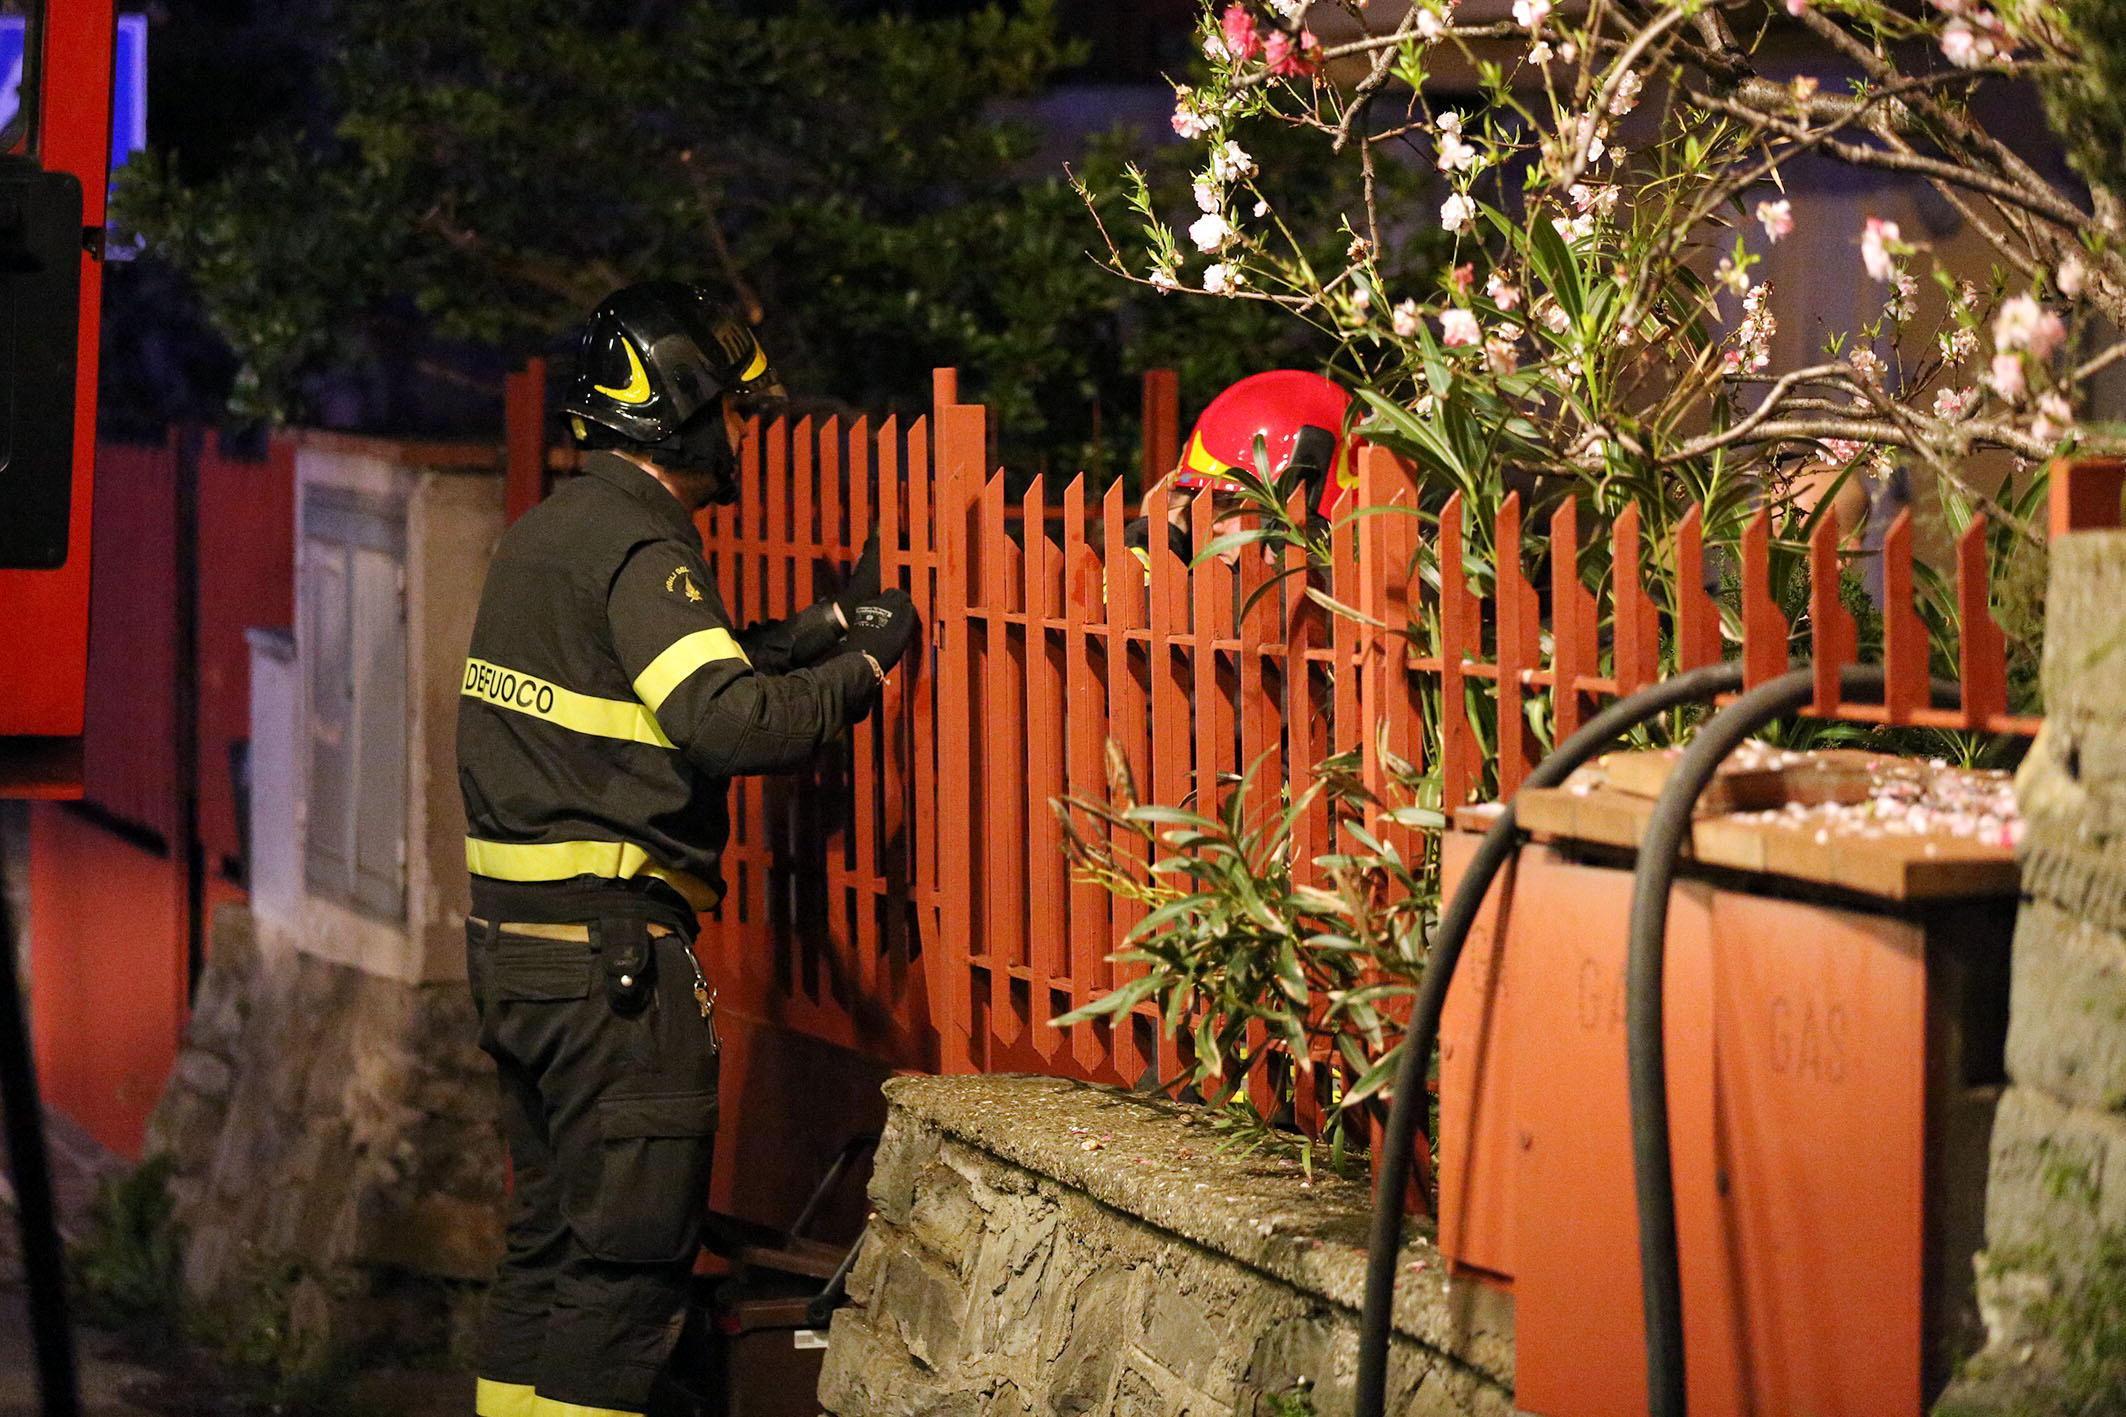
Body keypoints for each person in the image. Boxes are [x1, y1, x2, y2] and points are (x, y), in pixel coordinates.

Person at [455, 281, 916, 1417]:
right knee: (621, 1285)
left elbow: (651, 689)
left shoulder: (550, 536)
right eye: (734, 409)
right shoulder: (640, 542)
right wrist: (863, 669)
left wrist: (805, 634)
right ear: (681, 411)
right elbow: (721, 724)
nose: (742, 433)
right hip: (613, 971)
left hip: (518, 956)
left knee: (548, 1256)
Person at [1123, 369, 1361, 573]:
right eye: (1200, 500)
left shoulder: (1324, 608)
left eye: (1229, 502)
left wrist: (1147, 545)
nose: (1212, 525)